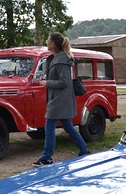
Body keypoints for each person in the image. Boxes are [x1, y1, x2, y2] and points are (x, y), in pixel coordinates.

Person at [33, 32, 89, 166]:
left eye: (48, 40)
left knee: (49, 126)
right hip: (59, 98)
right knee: (68, 126)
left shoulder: (62, 60)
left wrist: (47, 83)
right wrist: (47, 79)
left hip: (59, 99)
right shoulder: (58, 58)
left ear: (52, 44)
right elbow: (59, 79)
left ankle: (47, 157)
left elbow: (64, 82)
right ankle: (84, 149)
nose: (46, 42)